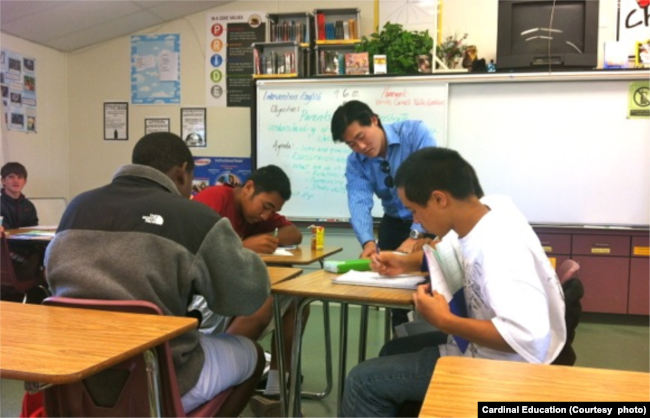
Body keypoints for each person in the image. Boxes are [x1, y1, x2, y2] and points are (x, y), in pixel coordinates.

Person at [44, 132, 269, 417]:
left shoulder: (76, 207)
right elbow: (245, 299)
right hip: (160, 380)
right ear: (182, 173)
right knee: (253, 355)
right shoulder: (194, 217)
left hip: (73, 375)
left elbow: (52, 277)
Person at [340, 147, 566, 417]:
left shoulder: (500, 248)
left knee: (361, 381)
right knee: (393, 348)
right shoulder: (485, 214)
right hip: (486, 351)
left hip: (502, 368)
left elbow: (527, 338)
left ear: (439, 199)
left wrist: (445, 321)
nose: (415, 220)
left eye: (414, 210)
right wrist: (404, 262)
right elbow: (452, 254)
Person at [192, 165, 304, 416]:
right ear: (249, 188)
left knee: (295, 299)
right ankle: (222, 378)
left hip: (225, 286)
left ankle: (275, 394)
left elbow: (294, 234)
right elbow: (194, 251)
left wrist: (271, 234)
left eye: (273, 210)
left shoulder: (254, 215)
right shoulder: (213, 200)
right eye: (266, 206)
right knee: (264, 301)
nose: (266, 216)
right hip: (198, 294)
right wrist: (243, 245)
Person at [331, 100, 436, 329]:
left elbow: (430, 183)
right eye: (351, 144)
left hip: (431, 221)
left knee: (432, 288)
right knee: (392, 295)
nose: (360, 147)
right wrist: (368, 242)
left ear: (374, 120)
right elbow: (359, 200)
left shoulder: (414, 133)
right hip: (393, 223)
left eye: (361, 136)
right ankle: (399, 346)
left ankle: (436, 346)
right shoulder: (356, 162)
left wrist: (416, 235)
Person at [0, 162, 44, 288]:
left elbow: (34, 229)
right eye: (11, 176)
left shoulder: (28, 205)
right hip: (9, 252)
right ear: (3, 180)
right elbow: (7, 233)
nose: (16, 181)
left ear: (25, 181)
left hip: (27, 248)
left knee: (53, 251)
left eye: (20, 177)